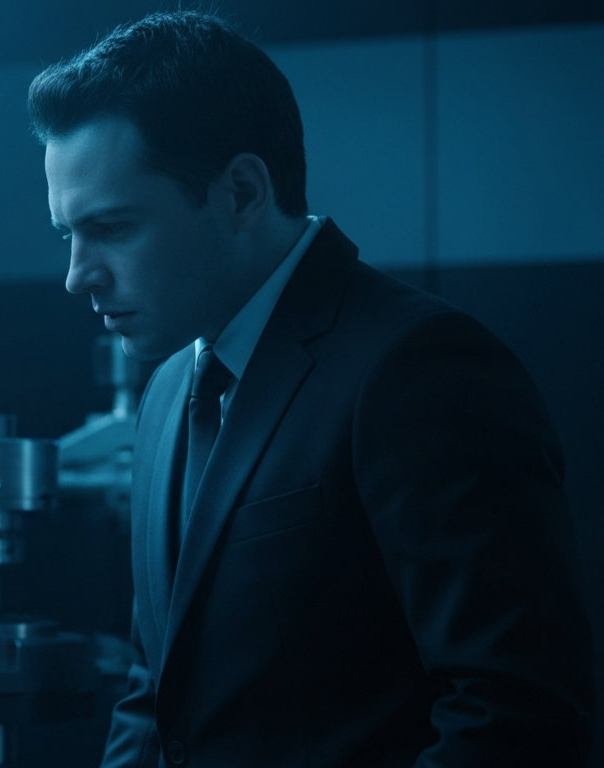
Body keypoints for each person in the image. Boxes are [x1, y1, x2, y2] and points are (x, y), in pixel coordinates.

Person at [30, 11, 593, 767]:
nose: (77, 275)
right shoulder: (167, 391)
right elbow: (154, 691)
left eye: (113, 228)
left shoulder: (418, 367)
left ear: (241, 192)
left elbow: (517, 715)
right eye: (68, 234)